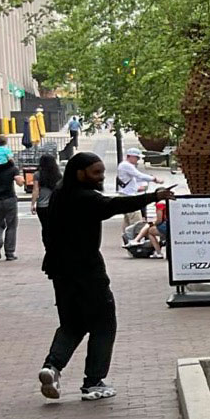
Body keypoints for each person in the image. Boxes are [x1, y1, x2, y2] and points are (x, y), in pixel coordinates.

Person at [38, 152, 173, 401]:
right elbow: (113, 205)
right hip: (87, 271)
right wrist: (154, 196)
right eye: (96, 172)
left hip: (60, 270)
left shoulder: (60, 193)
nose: (100, 177)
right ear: (80, 173)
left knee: (72, 324)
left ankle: (52, 367)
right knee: (104, 323)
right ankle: (93, 382)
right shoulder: (85, 198)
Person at [116, 148, 162, 226]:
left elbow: (134, 178)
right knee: (136, 222)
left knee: (128, 221)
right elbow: (139, 175)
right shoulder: (126, 165)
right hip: (129, 197)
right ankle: (135, 237)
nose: (138, 159)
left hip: (126, 195)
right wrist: (154, 179)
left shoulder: (125, 166)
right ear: (130, 156)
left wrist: (137, 187)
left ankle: (127, 236)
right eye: (137, 157)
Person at [32, 153, 61, 220]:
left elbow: (35, 190)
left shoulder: (37, 174)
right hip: (55, 205)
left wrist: (33, 204)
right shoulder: (58, 175)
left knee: (45, 227)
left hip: (42, 205)